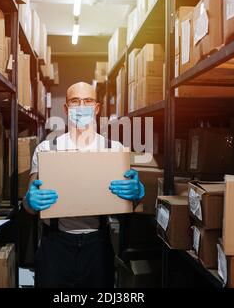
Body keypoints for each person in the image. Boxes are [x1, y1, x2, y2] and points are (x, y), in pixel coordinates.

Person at [25, 82, 145, 288]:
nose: (81, 106)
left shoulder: (113, 149)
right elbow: (28, 206)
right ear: (66, 109)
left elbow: (131, 206)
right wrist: (30, 201)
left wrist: (137, 195)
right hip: (55, 246)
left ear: (97, 108)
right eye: (74, 101)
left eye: (88, 101)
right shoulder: (47, 149)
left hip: (97, 247)